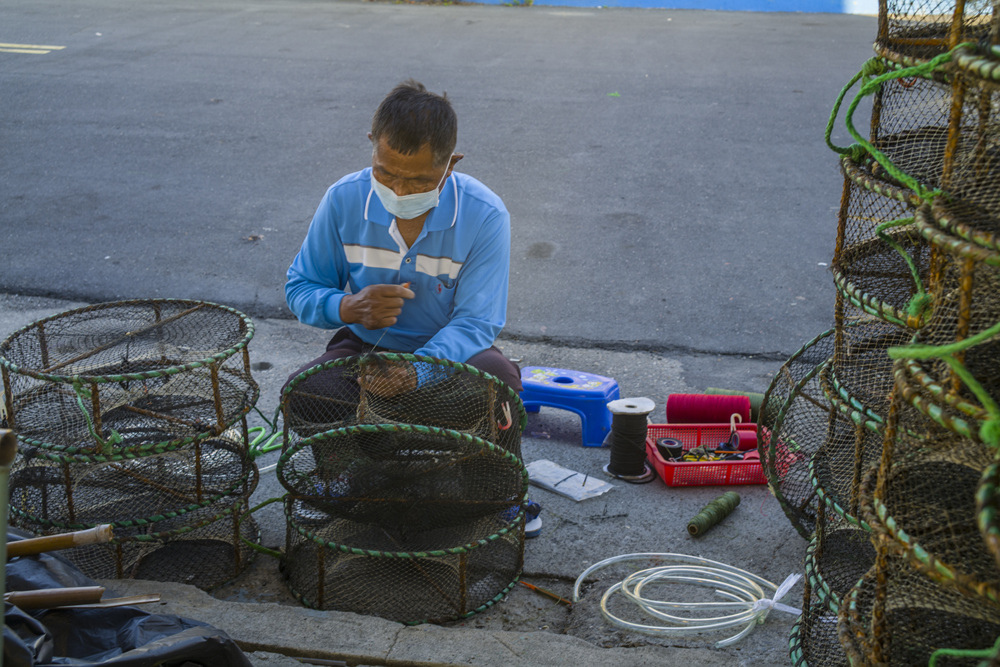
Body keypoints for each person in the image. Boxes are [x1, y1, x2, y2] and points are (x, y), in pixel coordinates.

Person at [283, 79, 522, 406]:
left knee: (497, 385)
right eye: (385, 174)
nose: (399, 191)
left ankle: (453, 455)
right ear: (372, 146)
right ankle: (365, 455)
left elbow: (476, 322)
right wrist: (348, 306)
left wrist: (417, 371)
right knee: (304, 394)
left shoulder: (484, 214)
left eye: (419, 181)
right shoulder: (344, 199)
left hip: (450, 354)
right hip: (367, 351)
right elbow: (301, 287)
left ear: (450, 164)